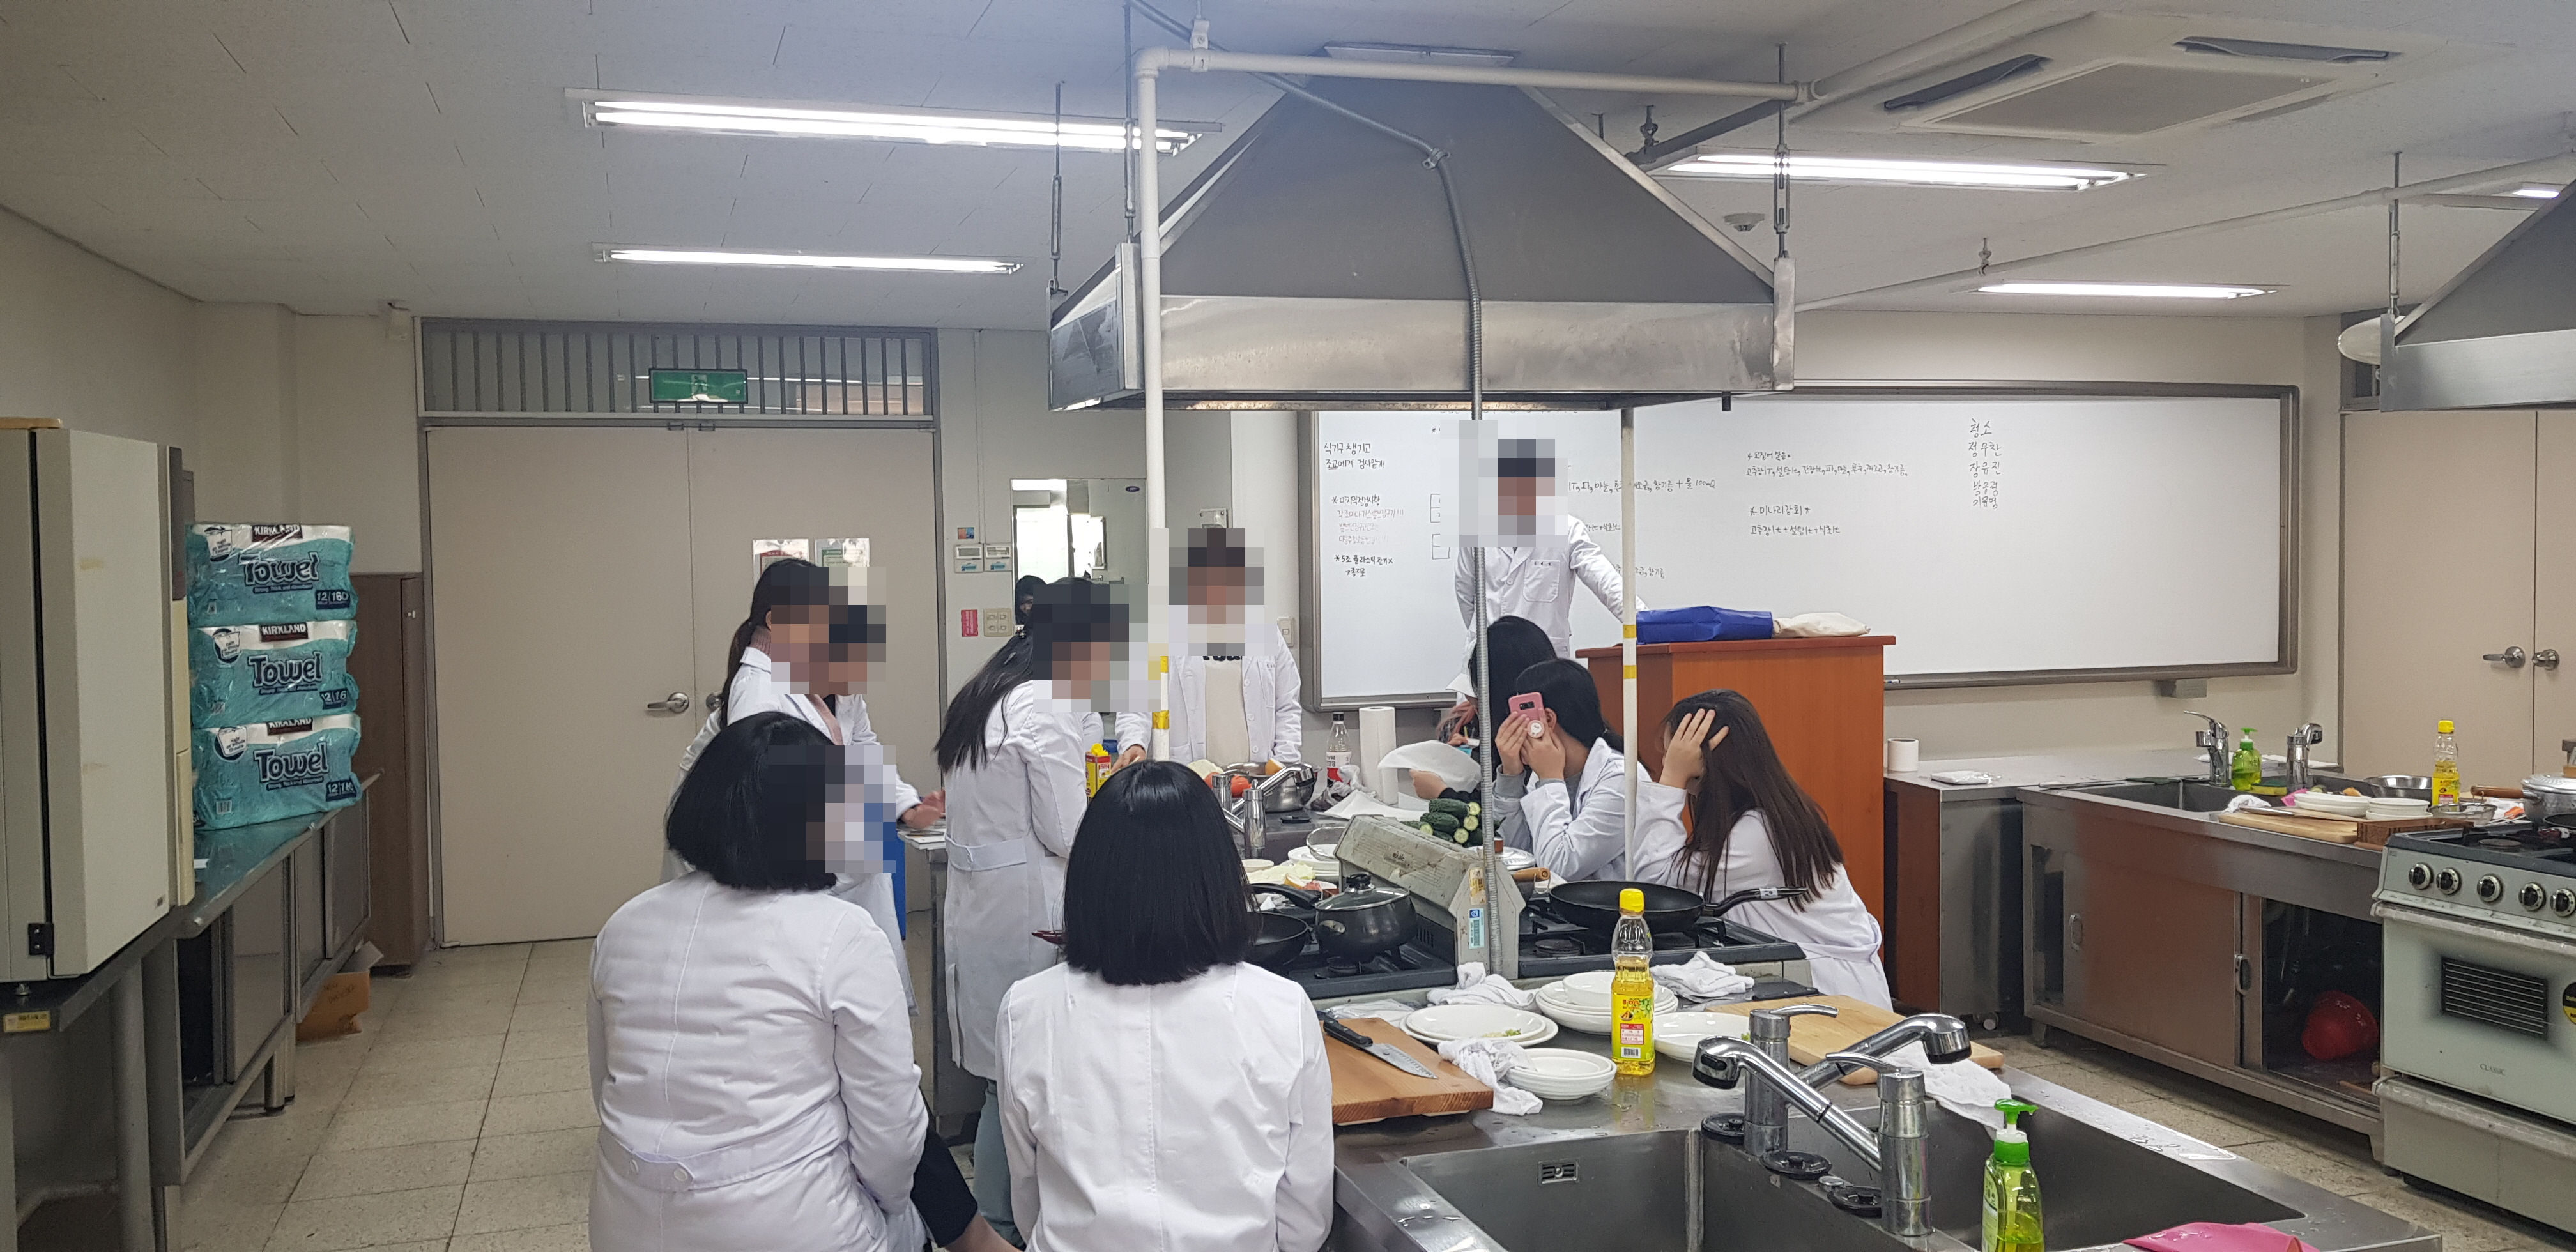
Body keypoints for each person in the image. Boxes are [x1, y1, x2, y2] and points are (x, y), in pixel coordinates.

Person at [590, 712, 1007, 1252]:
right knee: (909, 1206)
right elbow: (891, 1136)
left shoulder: (624, 925)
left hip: (626, 1226)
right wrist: (889, 1204)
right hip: (788, 1227)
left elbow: (608, 1085)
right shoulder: (839, 934)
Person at [997, 761, 1333, 1252]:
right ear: (1219, 877)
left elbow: (1028, 1196)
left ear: (1088, 879)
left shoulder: (1028, 1010)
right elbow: (1305, 1217)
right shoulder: (1281, 1008)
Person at [935, 577, 1134, 1244]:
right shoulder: (1043, 701)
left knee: (1004, 1078)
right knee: (1017, 1079)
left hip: (984, 909)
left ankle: (1001, 1220)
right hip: (1025, 909)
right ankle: (1002, 1224)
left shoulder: (990, 689)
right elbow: (1067, 829)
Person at [668, 558, 942, 981]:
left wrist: (906, 806)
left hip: (821, 843)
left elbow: (862, 752)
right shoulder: (758, 693)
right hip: (760, 852)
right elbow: (763, 801)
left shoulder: (823, 683)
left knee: (854, 951)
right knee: (800, 967)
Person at [1631, 689, 1890, 1007]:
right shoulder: (1767, 814)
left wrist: (1673, 778)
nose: (1665, 762)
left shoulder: (1758, 833)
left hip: (1835, 996)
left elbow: (1655, 885)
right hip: (1806, 979)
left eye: (1675, 754)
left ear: (1706, 760)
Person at [1453, 436, 1630, 661]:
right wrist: (1487, 637)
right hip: (1489, 657)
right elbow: (1466, 593)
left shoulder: (1567, 530)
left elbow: (1605, 581)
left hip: (1544, 659)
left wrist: (1643, 622)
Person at [1165, 526, 1302, 767]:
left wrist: (1284, 762)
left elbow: (1287, 705)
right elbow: (1138, 704)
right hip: (1190, 775)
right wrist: (1135, 743)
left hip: (1257, 776)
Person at [1488, 659, 1631, 882]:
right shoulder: (1545, 770)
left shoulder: (1620, 779)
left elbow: (1557, 869)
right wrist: (1510, 777)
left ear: (1546, 719)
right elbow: (1517, 856)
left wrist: (1550, 780)